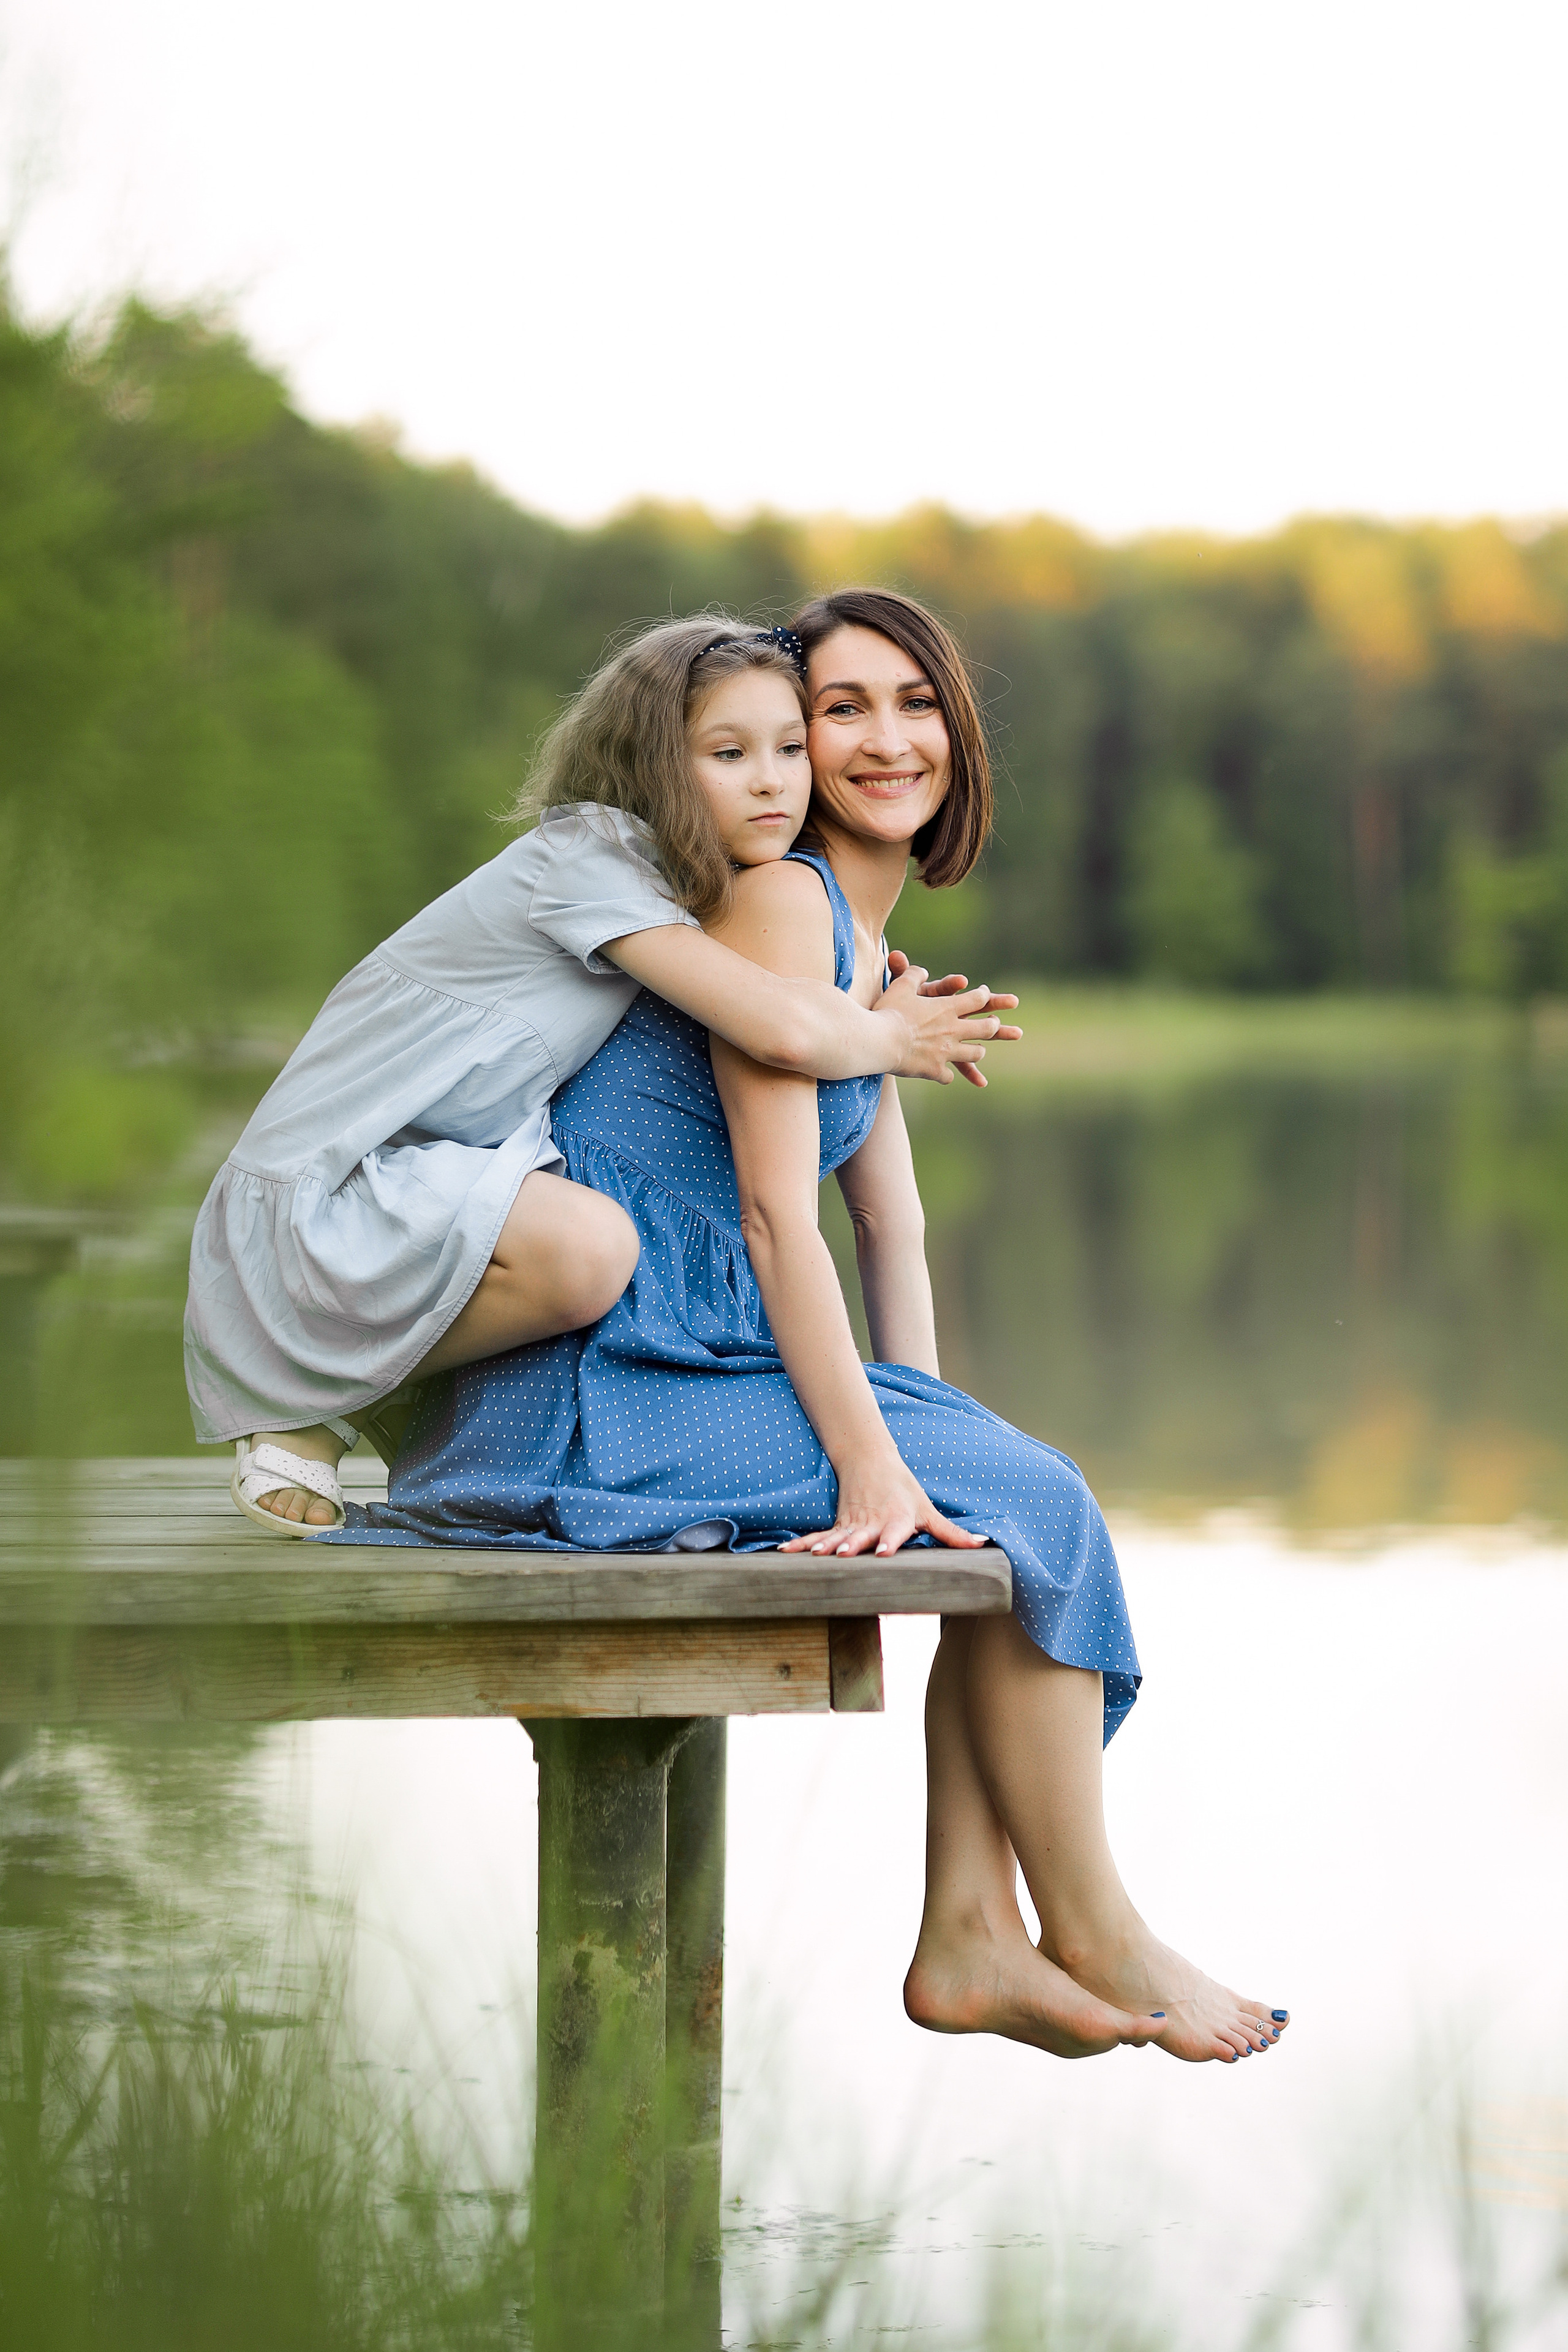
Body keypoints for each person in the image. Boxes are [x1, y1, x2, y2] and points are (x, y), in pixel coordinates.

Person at [334, 594, 1289, 2066]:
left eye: (912, 704)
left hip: (696, 1352)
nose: (879, 739)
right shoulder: (780, 905)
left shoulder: (861, 944)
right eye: (837, 710)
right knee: (1025, 1497)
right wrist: (871, 1467)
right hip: (609, 1372)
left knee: (1003, 1493)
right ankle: (1079, 1924)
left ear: (958, 736)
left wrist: (927, 1442)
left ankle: (973, 1929)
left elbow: (887, 1230)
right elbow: (780, 1219)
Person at [184, 616, 1011, 1535]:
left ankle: (379, 1398)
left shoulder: (693, 889)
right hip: (331, 1190)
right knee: (592, 1250)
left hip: (440, 1190)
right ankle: (314, 1399)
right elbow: (778, 1026)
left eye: (787, 749)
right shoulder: (592, 860)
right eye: (729, 753)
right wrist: (894, 1040)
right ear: (656, 765)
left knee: (588, 1249)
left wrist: (928, 1427)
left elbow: (885, 1210)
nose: (773, 779)